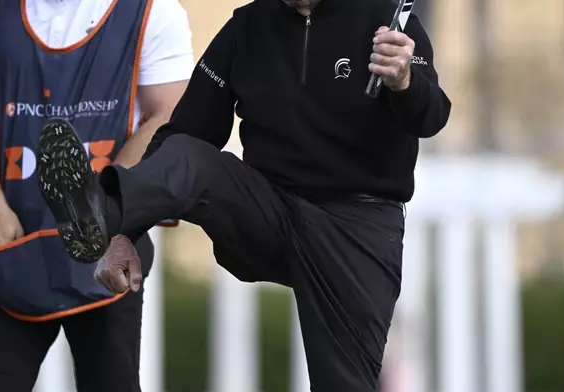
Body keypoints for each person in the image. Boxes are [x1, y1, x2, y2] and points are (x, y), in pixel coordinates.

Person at [37, 0, 451, 390]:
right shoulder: (246, 27)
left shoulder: (387, 17)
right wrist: (124, 230)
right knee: (189, 155)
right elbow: (185, 131)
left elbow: (432, 115)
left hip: (355, 227)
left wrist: (405, 81)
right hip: (267, 211)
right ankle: (99, 212)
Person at [0, 0, 193, 390]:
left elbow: (168, 116)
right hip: (10, 248)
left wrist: (101, 206)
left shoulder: (154, 11)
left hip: (106, 252)